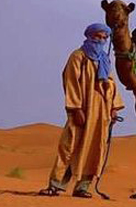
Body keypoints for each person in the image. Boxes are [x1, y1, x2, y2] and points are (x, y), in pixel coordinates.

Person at [40, 23, 124, 197]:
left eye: (104, 38)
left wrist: (114, 108)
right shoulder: (78, 56)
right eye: (98, 37)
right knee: (69, 146)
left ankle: (83, 187)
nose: (101, 40)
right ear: (89, 36)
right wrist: (76, 108)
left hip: (101, 110)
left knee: (95, 148)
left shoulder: (105, 59)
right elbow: (70, 81)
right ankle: (55, 185)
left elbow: (112, 83)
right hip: (82, 109)